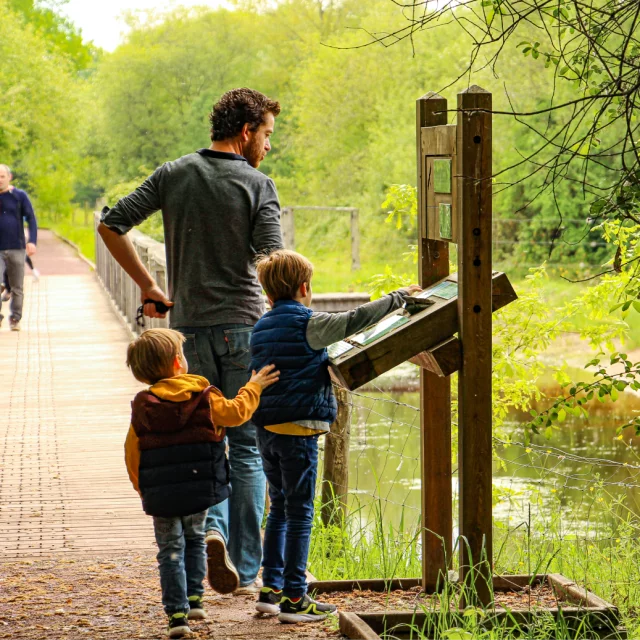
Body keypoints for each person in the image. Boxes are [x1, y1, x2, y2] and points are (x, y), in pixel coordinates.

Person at [98, 88, 283, 594]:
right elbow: (273, 264)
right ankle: (247, 569)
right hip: (244, 326)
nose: (267, 146)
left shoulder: (173, 173)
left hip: (190, 332)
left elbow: (112, 224)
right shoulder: (257, 184)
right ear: (246, 131)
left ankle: (213, 532)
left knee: (205, 437)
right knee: (245, 444)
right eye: (266, 134)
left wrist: (149, 287)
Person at [249, 249, 422, 623]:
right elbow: (355, 320)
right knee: (300, 514)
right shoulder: (308, 324)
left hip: (266, 430)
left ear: (267, 293)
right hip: (299, 431)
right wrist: (398, 298)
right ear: (305, 287)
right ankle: (295, 599)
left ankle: (271, 590)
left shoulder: (261, 326)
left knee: (278, 509)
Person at [123, 328, 279, 638]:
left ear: (142, 374)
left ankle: (177, 616)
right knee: (195, 539)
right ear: (179, 362)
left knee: (169, 550)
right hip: (199, 490)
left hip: (162, 497)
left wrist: (144, 489)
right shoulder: (205, 398)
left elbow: (132, 452)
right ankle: (195, 599)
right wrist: (254, 386)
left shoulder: (143, 406)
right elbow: (237, 414)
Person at [0, 164, 37, 331]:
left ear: (9, 177)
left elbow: (31, 219)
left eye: (2, 176)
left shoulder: (19, 196)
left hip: (16, 246)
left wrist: (32, 241)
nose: (0, 180)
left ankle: (15, 318)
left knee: (17, 286)